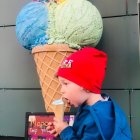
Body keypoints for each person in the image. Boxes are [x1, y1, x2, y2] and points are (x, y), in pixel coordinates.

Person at [47, 47, 132, 139]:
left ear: (86, 85)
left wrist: (65, 132)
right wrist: (62, 130)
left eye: (66, 84)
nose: (61, 90)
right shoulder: (93, 108)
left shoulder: (98, 119)